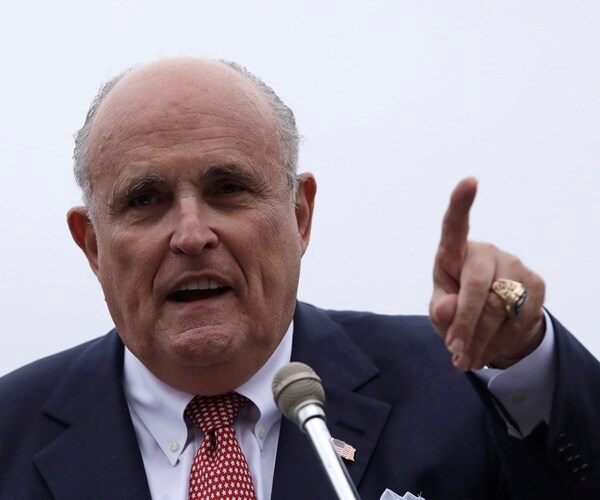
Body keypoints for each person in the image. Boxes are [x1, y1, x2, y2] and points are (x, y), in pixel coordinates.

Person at [0, 57, 597, 499]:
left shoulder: (456, 385)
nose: (191, 234)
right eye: (145, 200)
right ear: (93, 245)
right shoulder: (11, 432)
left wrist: (526, 355)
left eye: (227, 189)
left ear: (300, 216)